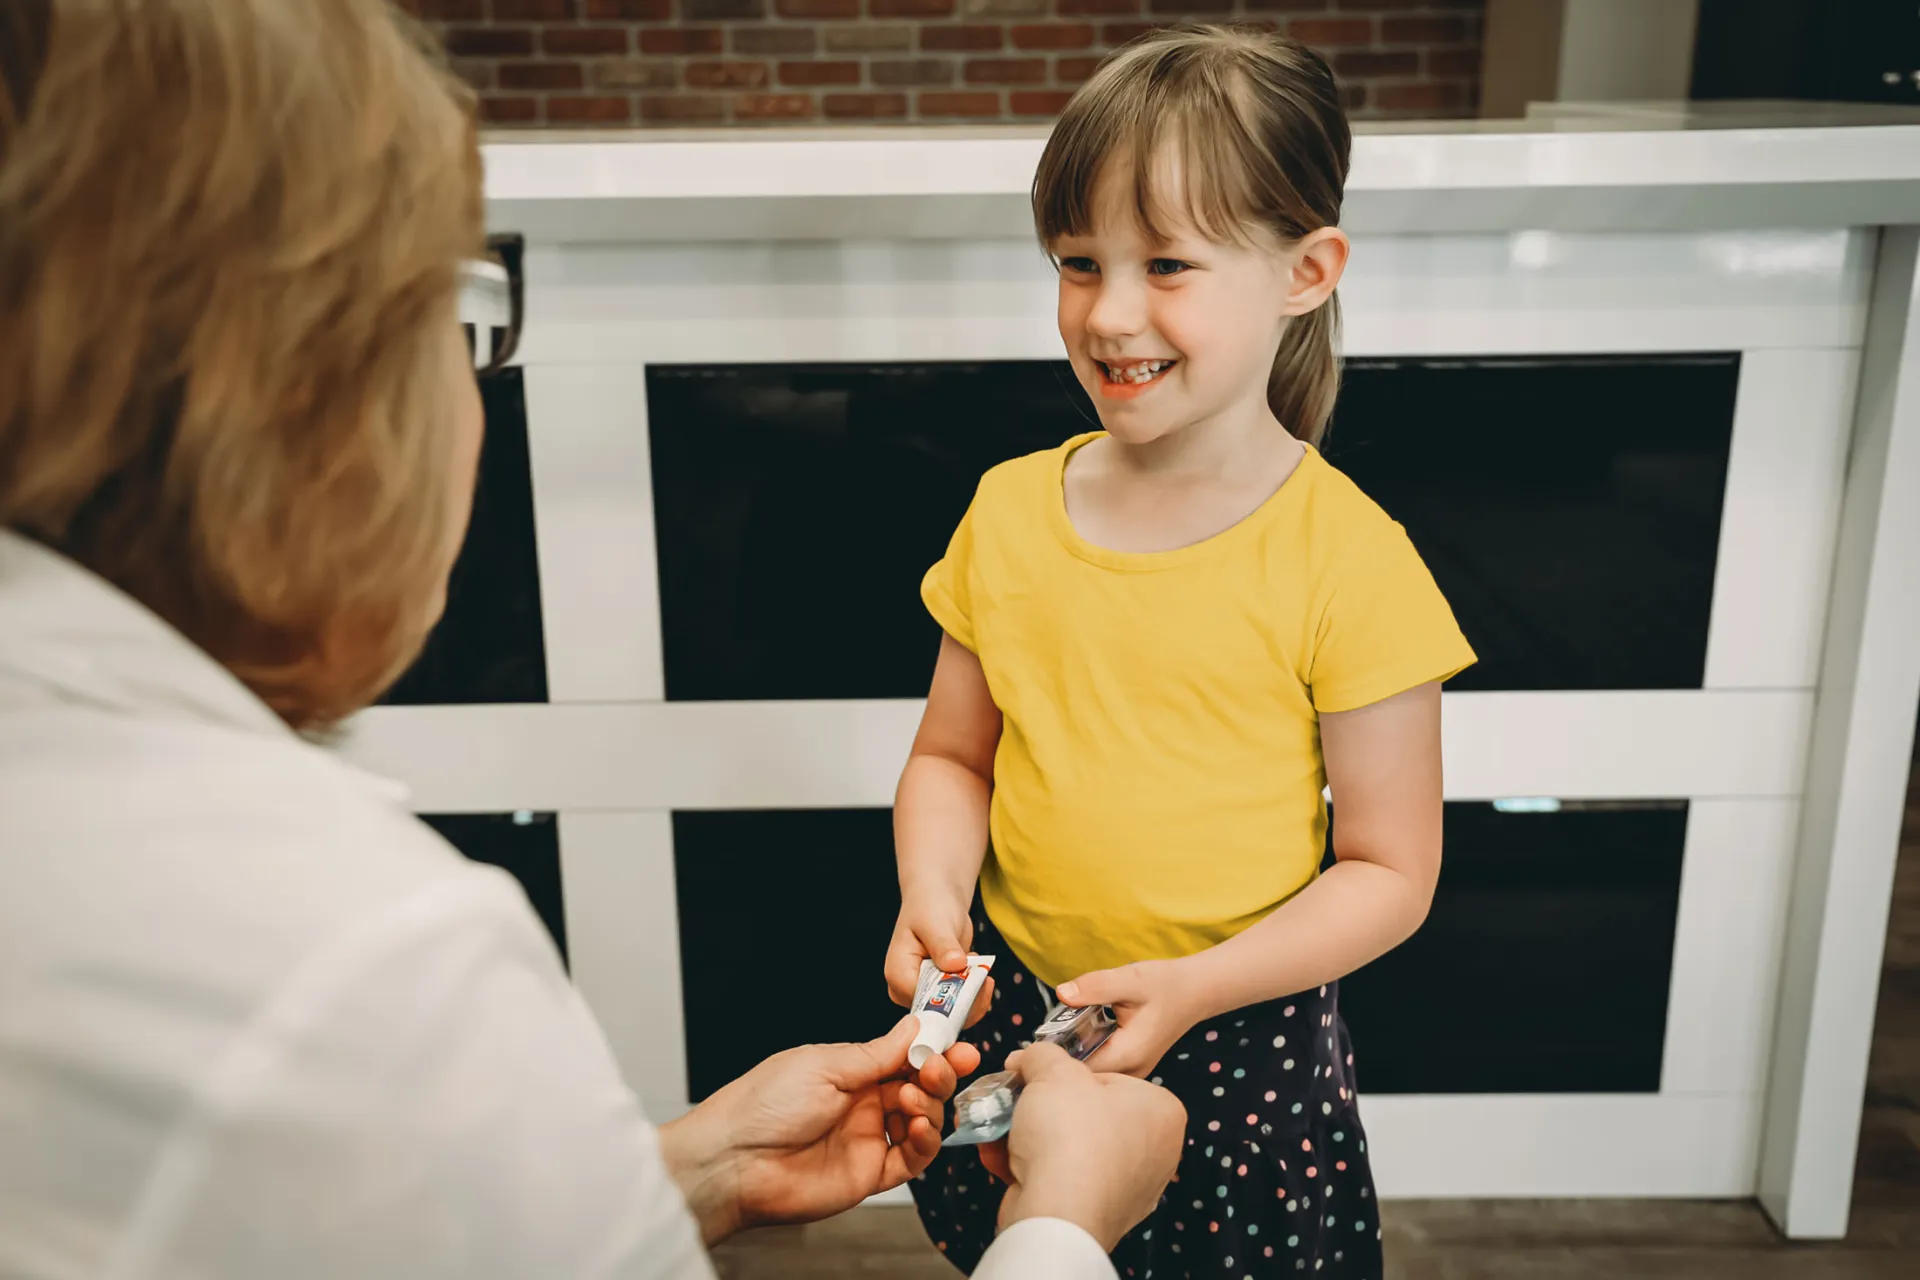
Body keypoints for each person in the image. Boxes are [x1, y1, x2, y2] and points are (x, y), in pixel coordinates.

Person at [0, 1, 1184, 1276]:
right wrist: (1061, 1227)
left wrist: (689, 1169)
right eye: (461, 320)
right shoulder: (360, 968)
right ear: (292, 387)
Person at [886, 25, 1478, 1279]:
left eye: (1167, 263)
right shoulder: (1005, 510)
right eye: (1078, 260)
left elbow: (1389, 867)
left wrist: (1198, 985)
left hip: (1241, 1037)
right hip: (1030, 1002)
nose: (1108, 313)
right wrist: (932, 894)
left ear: (1306, 270)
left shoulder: (1351, 559)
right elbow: (952, 754)